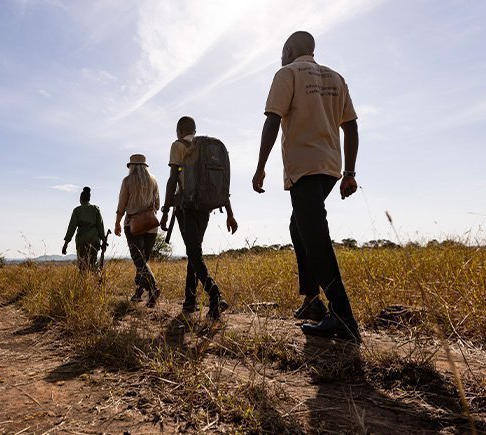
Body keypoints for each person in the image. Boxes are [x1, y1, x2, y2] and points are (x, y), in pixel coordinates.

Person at [252, 31, 362, 341]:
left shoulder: (287, 73)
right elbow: (351, 126)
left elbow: (272, 120)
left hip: (304, 168)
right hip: (330, 168)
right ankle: (312, 300)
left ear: (289, 50)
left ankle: (342, 314)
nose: (281, 58)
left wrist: (260, 167)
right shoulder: (335, 77)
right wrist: (350, 171)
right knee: (298, 227)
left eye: (281, 52)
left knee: (315, 236)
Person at [160, 116, 238, 320]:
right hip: (205, 207)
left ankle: (215, 295)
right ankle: (190, 301)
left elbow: (173, 179)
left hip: (186, 207)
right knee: (194, 252)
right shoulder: (206, 150)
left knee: (194, 253)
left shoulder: (178, 146)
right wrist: (229, 214)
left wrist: (166, 210)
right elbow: (219, 186)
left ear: (179, 130)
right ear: (194, 130)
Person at [114, 154, 161, 307]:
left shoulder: (127, 181)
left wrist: (117, 223)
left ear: (132, 166)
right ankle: (139, 294)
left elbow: (122, 204)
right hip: (151, 225)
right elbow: (157, 205)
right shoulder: (153, 181)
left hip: (133, 224)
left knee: (139, 260)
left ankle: (153, 288)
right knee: (143, 260)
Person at [62, 186, 106, 271]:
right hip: (94, 240)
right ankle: (94, 280)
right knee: (93, 263)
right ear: (89, 199)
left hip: (81, 241)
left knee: (82, 265)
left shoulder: (77, 210)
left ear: (81, 199)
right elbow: (100, 226)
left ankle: (84, 282)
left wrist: (66, 244)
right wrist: (104, 240)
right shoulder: (95, 209)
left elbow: (71, 228)